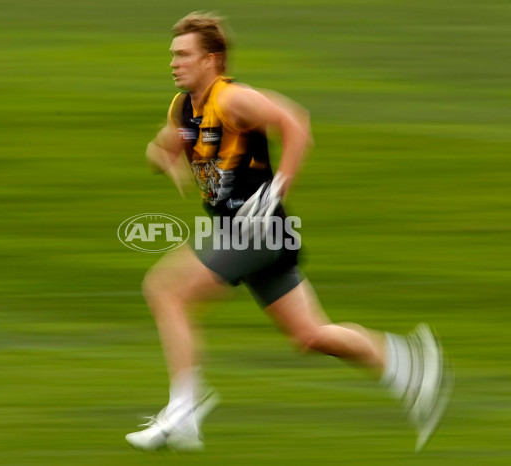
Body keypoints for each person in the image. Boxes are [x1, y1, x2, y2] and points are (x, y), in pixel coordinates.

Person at [126, 11, 452, 453]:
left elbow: (296, 121)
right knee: (311, 336)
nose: (174, 62)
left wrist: (278, 187)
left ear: (212, 60)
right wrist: (164, 158)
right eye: (173, 54)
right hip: (255, 233)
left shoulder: (232, 99)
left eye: (184, 54)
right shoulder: (185, 106)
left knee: (165, 289)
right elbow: (170, 141)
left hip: (256, 229)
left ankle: (185, 406)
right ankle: (408, 363)